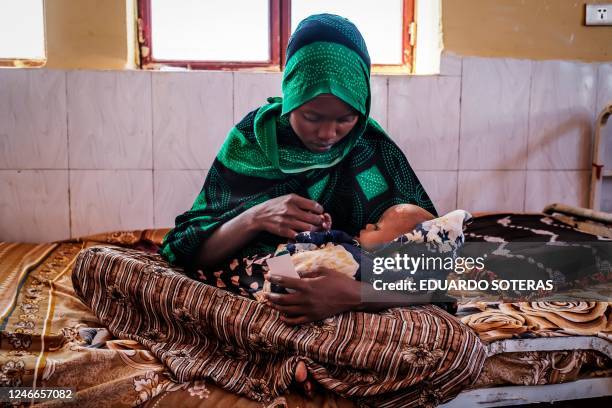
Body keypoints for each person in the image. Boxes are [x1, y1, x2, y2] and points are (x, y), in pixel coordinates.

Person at [159, 13, 437, 324]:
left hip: (354, 298)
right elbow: (188, 252)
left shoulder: (371, 149)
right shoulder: (253, 139)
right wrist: (257, 216)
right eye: (312, 117)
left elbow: (442, 273)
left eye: (346, 118)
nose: (327, 134)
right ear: (291, 97)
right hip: (255, 290)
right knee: (100, 264)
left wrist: (354, 295)